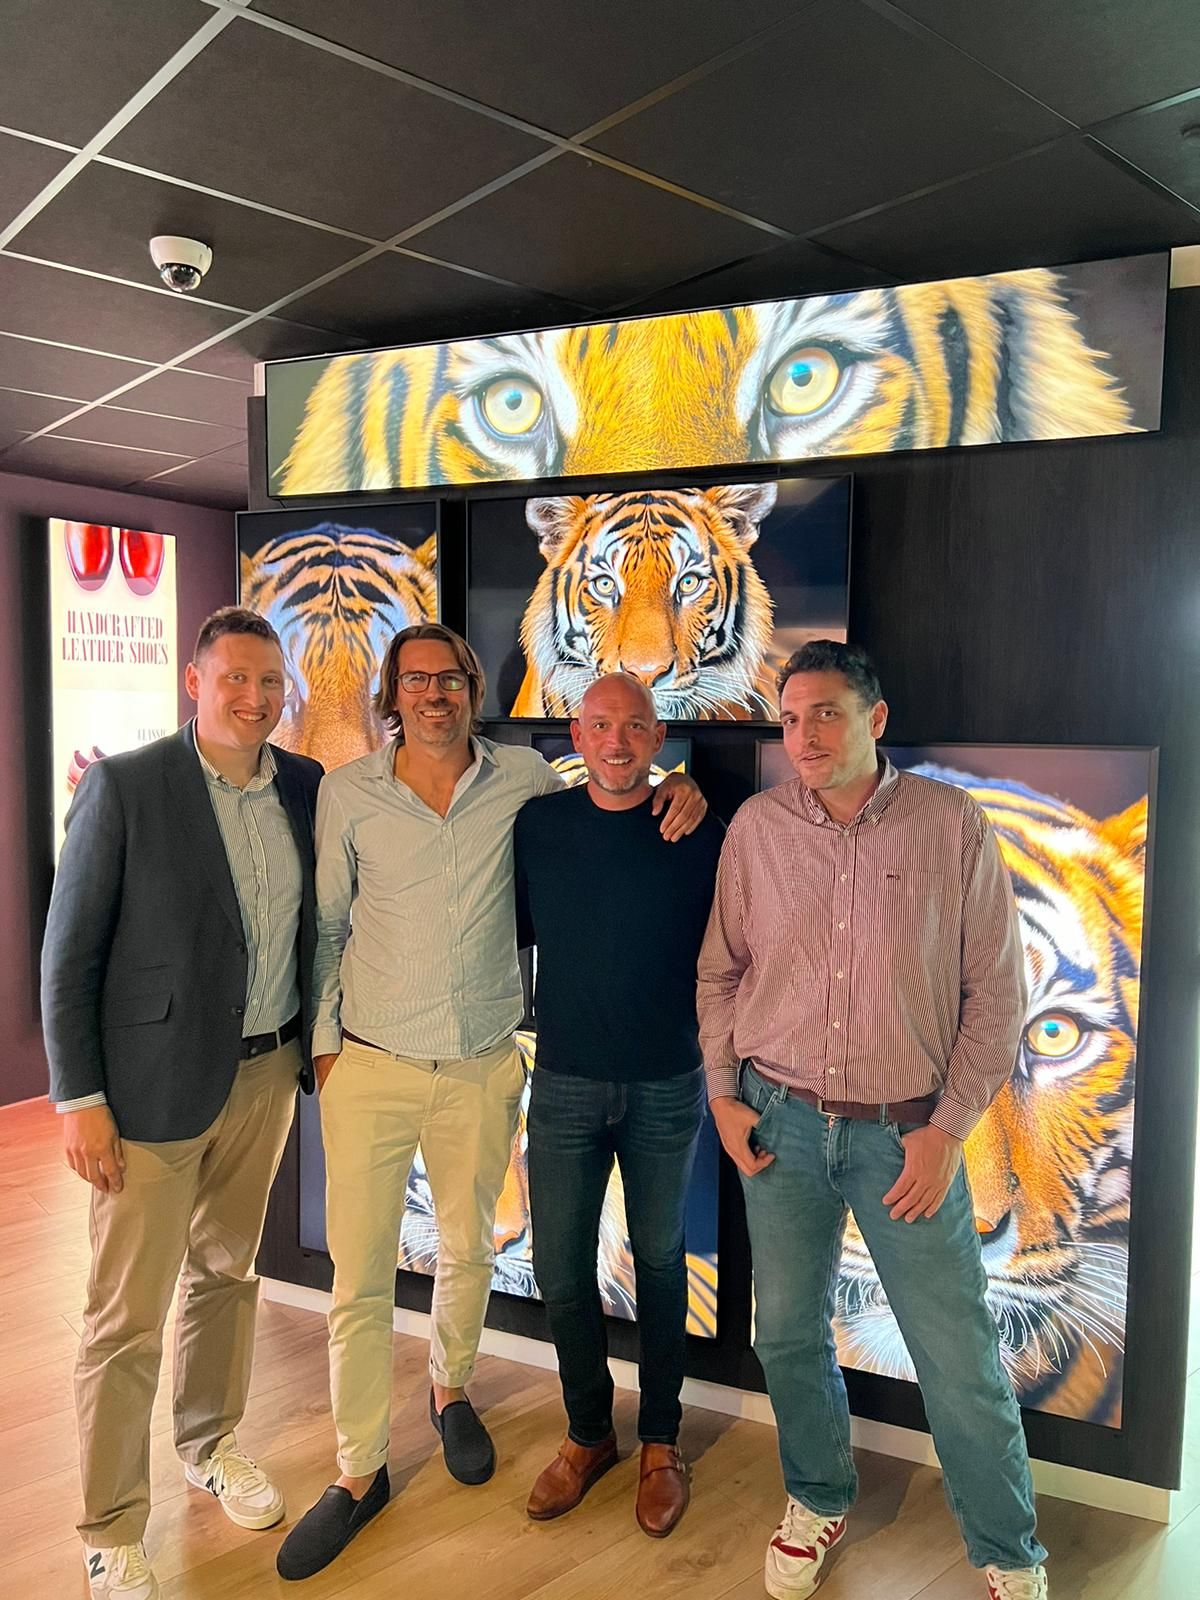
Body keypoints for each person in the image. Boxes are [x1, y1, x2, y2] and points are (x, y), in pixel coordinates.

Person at [276, 623, 706, 1581]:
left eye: (450, 678)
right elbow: (328, 925)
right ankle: (359, 1472)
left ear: (474, 688)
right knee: (363, 1277)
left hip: (484, 1065)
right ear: (393, 695)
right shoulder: (350, 791)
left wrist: (685, 788)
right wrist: (326, 1050)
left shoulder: (525, 782)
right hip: (375, 1062)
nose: (434, 694)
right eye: (415, 680)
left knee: (473, 1247)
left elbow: (620, 794)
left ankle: (455, 1392)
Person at [697, 640, 1048, 1600]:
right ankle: (817, 1496)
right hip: (779, 1125)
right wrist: (723, 1094)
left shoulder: (952, 825)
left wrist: (949, 1129)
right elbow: (722, 970)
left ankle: (1008, 1552)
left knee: (957, 1355)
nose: (804, 735)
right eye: (791, 716)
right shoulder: (758, 829)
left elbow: (996, 996)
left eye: (827, 713)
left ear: (874, 719)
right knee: (786, 1334)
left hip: (907, 1137)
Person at [42, 608, 323, 1600]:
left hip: (266, 1071)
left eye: (269, 681)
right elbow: (68, 955)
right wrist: (80, 1097)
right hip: (148, 1090)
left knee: (227, 1273)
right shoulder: (125, 786)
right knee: (124, 1318)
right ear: (194, 682)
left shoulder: (305, 784)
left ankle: (209, 1445)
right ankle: (110, 1527)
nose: (255, 697)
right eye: (235, 678)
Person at [514, 673, 725, 1537]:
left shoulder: (695, 826)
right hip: (564, 1080)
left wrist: (693, 790)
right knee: (560, 1270)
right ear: (576, 733)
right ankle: (589, 1433)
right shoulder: (538, 826)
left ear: (657, 736)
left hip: (666, 1083)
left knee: (662, 1263)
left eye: (634, 726)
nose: (616, 742)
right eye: (600, 725)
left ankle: (661, 1443)